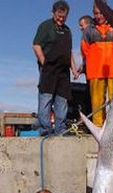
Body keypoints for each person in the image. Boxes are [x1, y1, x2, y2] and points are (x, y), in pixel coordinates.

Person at [33, 1, 79, 135]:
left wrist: (74, 69)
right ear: (53, 13)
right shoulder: (45, 26)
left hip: (63, 72)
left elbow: (68, 52)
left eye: (63, 17)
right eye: (58, 16)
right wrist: (44, 63)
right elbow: (36, 45)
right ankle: (45, 130)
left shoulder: (67, 30)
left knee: (62, 101)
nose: (61, 19)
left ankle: (61, 129)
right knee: (46, 99)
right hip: (49, 69)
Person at [79, 2, 113, 127]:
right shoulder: (88, 30)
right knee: (97, 102)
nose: (98, 16)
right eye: (96, 13)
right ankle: (98, 127)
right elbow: (84, 49)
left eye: (101, 13)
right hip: (95, 71)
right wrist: (93, 61)